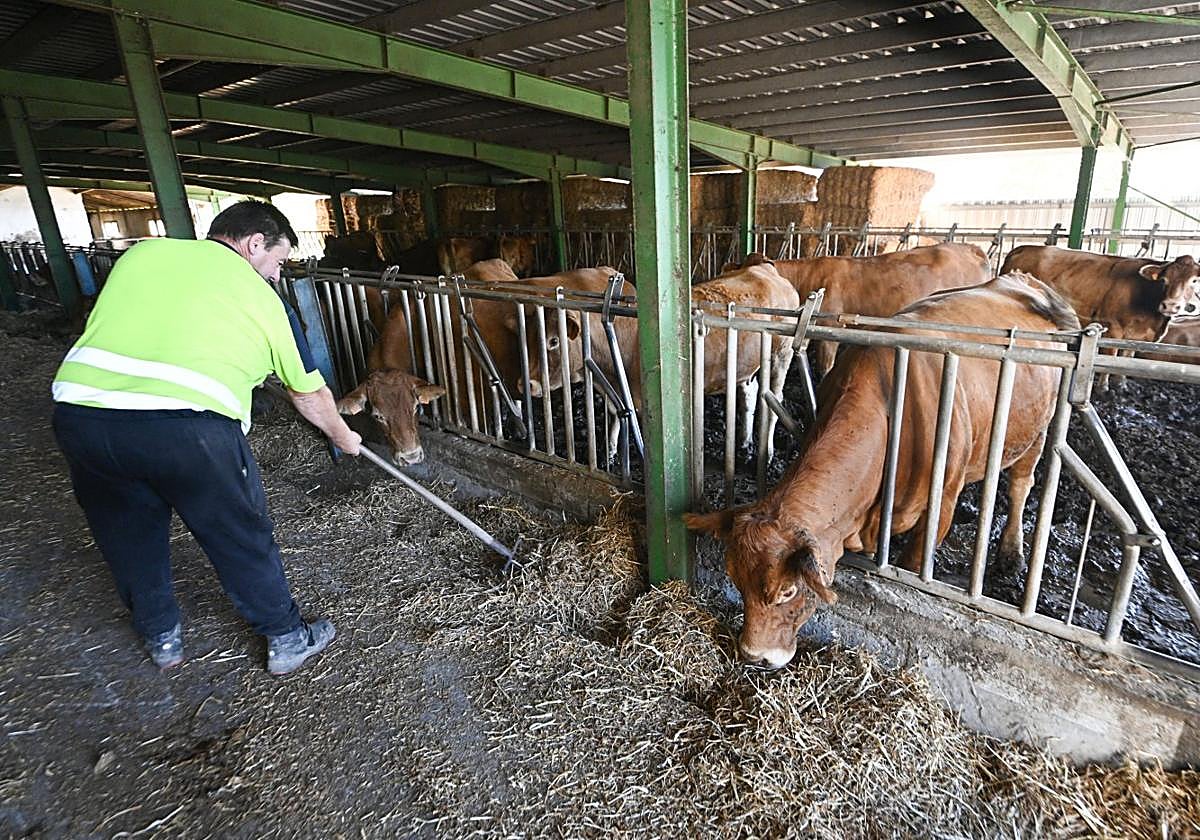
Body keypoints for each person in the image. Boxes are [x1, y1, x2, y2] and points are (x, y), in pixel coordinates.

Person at [51, 201, 362, 676]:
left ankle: (162, 639)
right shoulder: (262, 297)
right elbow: (309, 393)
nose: (278, 275)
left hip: (84, 417)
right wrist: (344, 437)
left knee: (126, 533)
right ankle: (286, 638)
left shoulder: (140, 255)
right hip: (190, 430)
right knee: (239, 535)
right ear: (255, 243)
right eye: (278, 262)